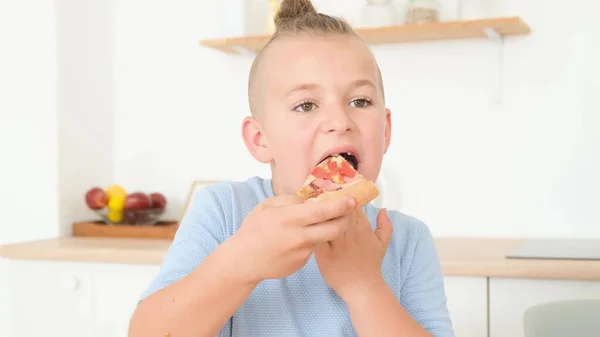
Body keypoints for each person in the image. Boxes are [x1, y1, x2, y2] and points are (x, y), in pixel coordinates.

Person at [128, 0, 455, 336]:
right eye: (306, 105)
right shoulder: (224, 212)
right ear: (259, 139)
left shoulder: (406, 239)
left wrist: (363, 285)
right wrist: (241, 261)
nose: (339, 121)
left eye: (360, 101)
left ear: (385, 131)